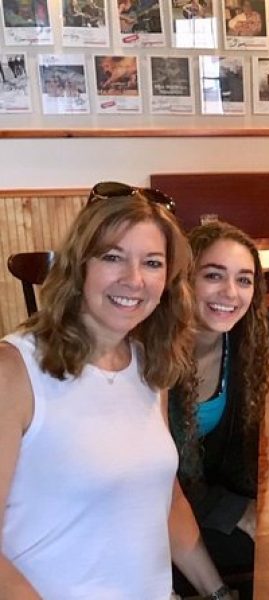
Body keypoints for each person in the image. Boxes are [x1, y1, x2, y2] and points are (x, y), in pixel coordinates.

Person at [0, 183, 232, 598]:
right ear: (79, 266)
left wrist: (218, 592)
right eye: (113, 257)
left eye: (152, 263)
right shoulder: (14, 371)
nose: (134, 279)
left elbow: (166, 500)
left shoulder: (148, 366)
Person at [169, 221, 269, 600]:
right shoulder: (154, 355)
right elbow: (157, 483)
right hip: (153, 519)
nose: (230, 293)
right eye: (214, 275)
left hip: (203, 497)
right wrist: (234, 510)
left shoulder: (240, 345)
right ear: (184, 279)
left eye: (244, 280)